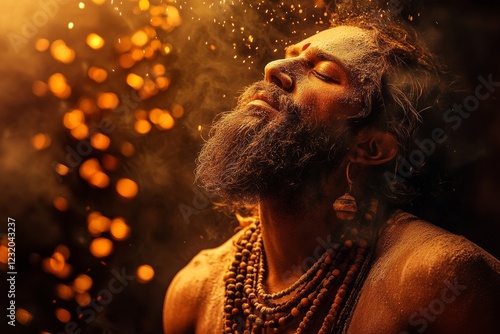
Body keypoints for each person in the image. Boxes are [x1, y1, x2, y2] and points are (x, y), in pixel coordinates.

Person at [163, 14, 500, 334]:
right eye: (289, 55)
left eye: (324, 72)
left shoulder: (442, 281)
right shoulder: (196, 290)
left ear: (369, 148)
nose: (272, 68)